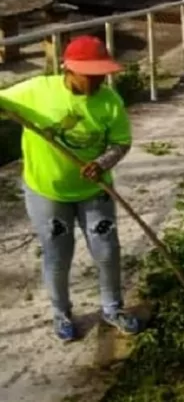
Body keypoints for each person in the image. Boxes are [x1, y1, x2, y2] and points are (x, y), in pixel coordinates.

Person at [0, 36, 142, 341]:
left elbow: (121, 142)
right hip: (47, 193)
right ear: (68, 68)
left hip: (94, 191)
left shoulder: (109, 101)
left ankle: (113, 308)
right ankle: (61, 314)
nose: (96, 81)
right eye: (89, 74)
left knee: (107, 250)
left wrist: (103, 163)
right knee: (57, 254)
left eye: (101, 74)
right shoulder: (35, 90)